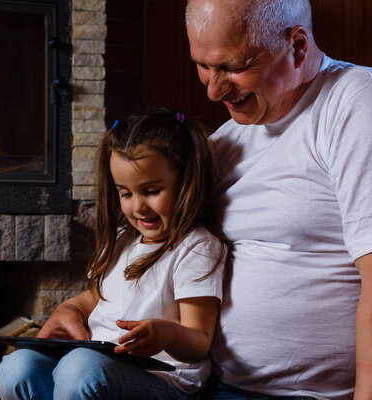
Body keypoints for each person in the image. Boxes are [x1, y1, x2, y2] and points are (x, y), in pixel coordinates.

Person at [184, 0, 372, 398]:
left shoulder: (354, 102)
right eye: (203, 65)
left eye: (232, 67)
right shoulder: (225, 142)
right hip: (219, 386)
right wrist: (81, 306)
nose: (213, 91)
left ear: (297, 46)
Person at [0, 108, 227, 399]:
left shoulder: (196, 248)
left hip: (163, 378)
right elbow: (97, 296)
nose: (137, 207)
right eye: (125, 193)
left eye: (152, 191)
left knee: (80, 369)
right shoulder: (121, 239)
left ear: (187, 181)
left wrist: (166, 334)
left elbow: (199, 340)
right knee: (15, 366)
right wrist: (72, 308)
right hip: (98, 364)